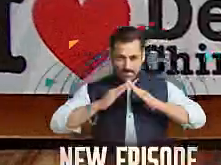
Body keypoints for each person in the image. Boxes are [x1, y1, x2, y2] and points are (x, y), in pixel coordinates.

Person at [49, 27, 206, 146]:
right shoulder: (92, 90)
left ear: (143, 56)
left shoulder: (165, 87)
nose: (127, 66)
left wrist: (156, 103)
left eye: (133, 58)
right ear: (111, 56)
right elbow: (57, 124)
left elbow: (198, 119)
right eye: (120, 58)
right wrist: (98, 105)